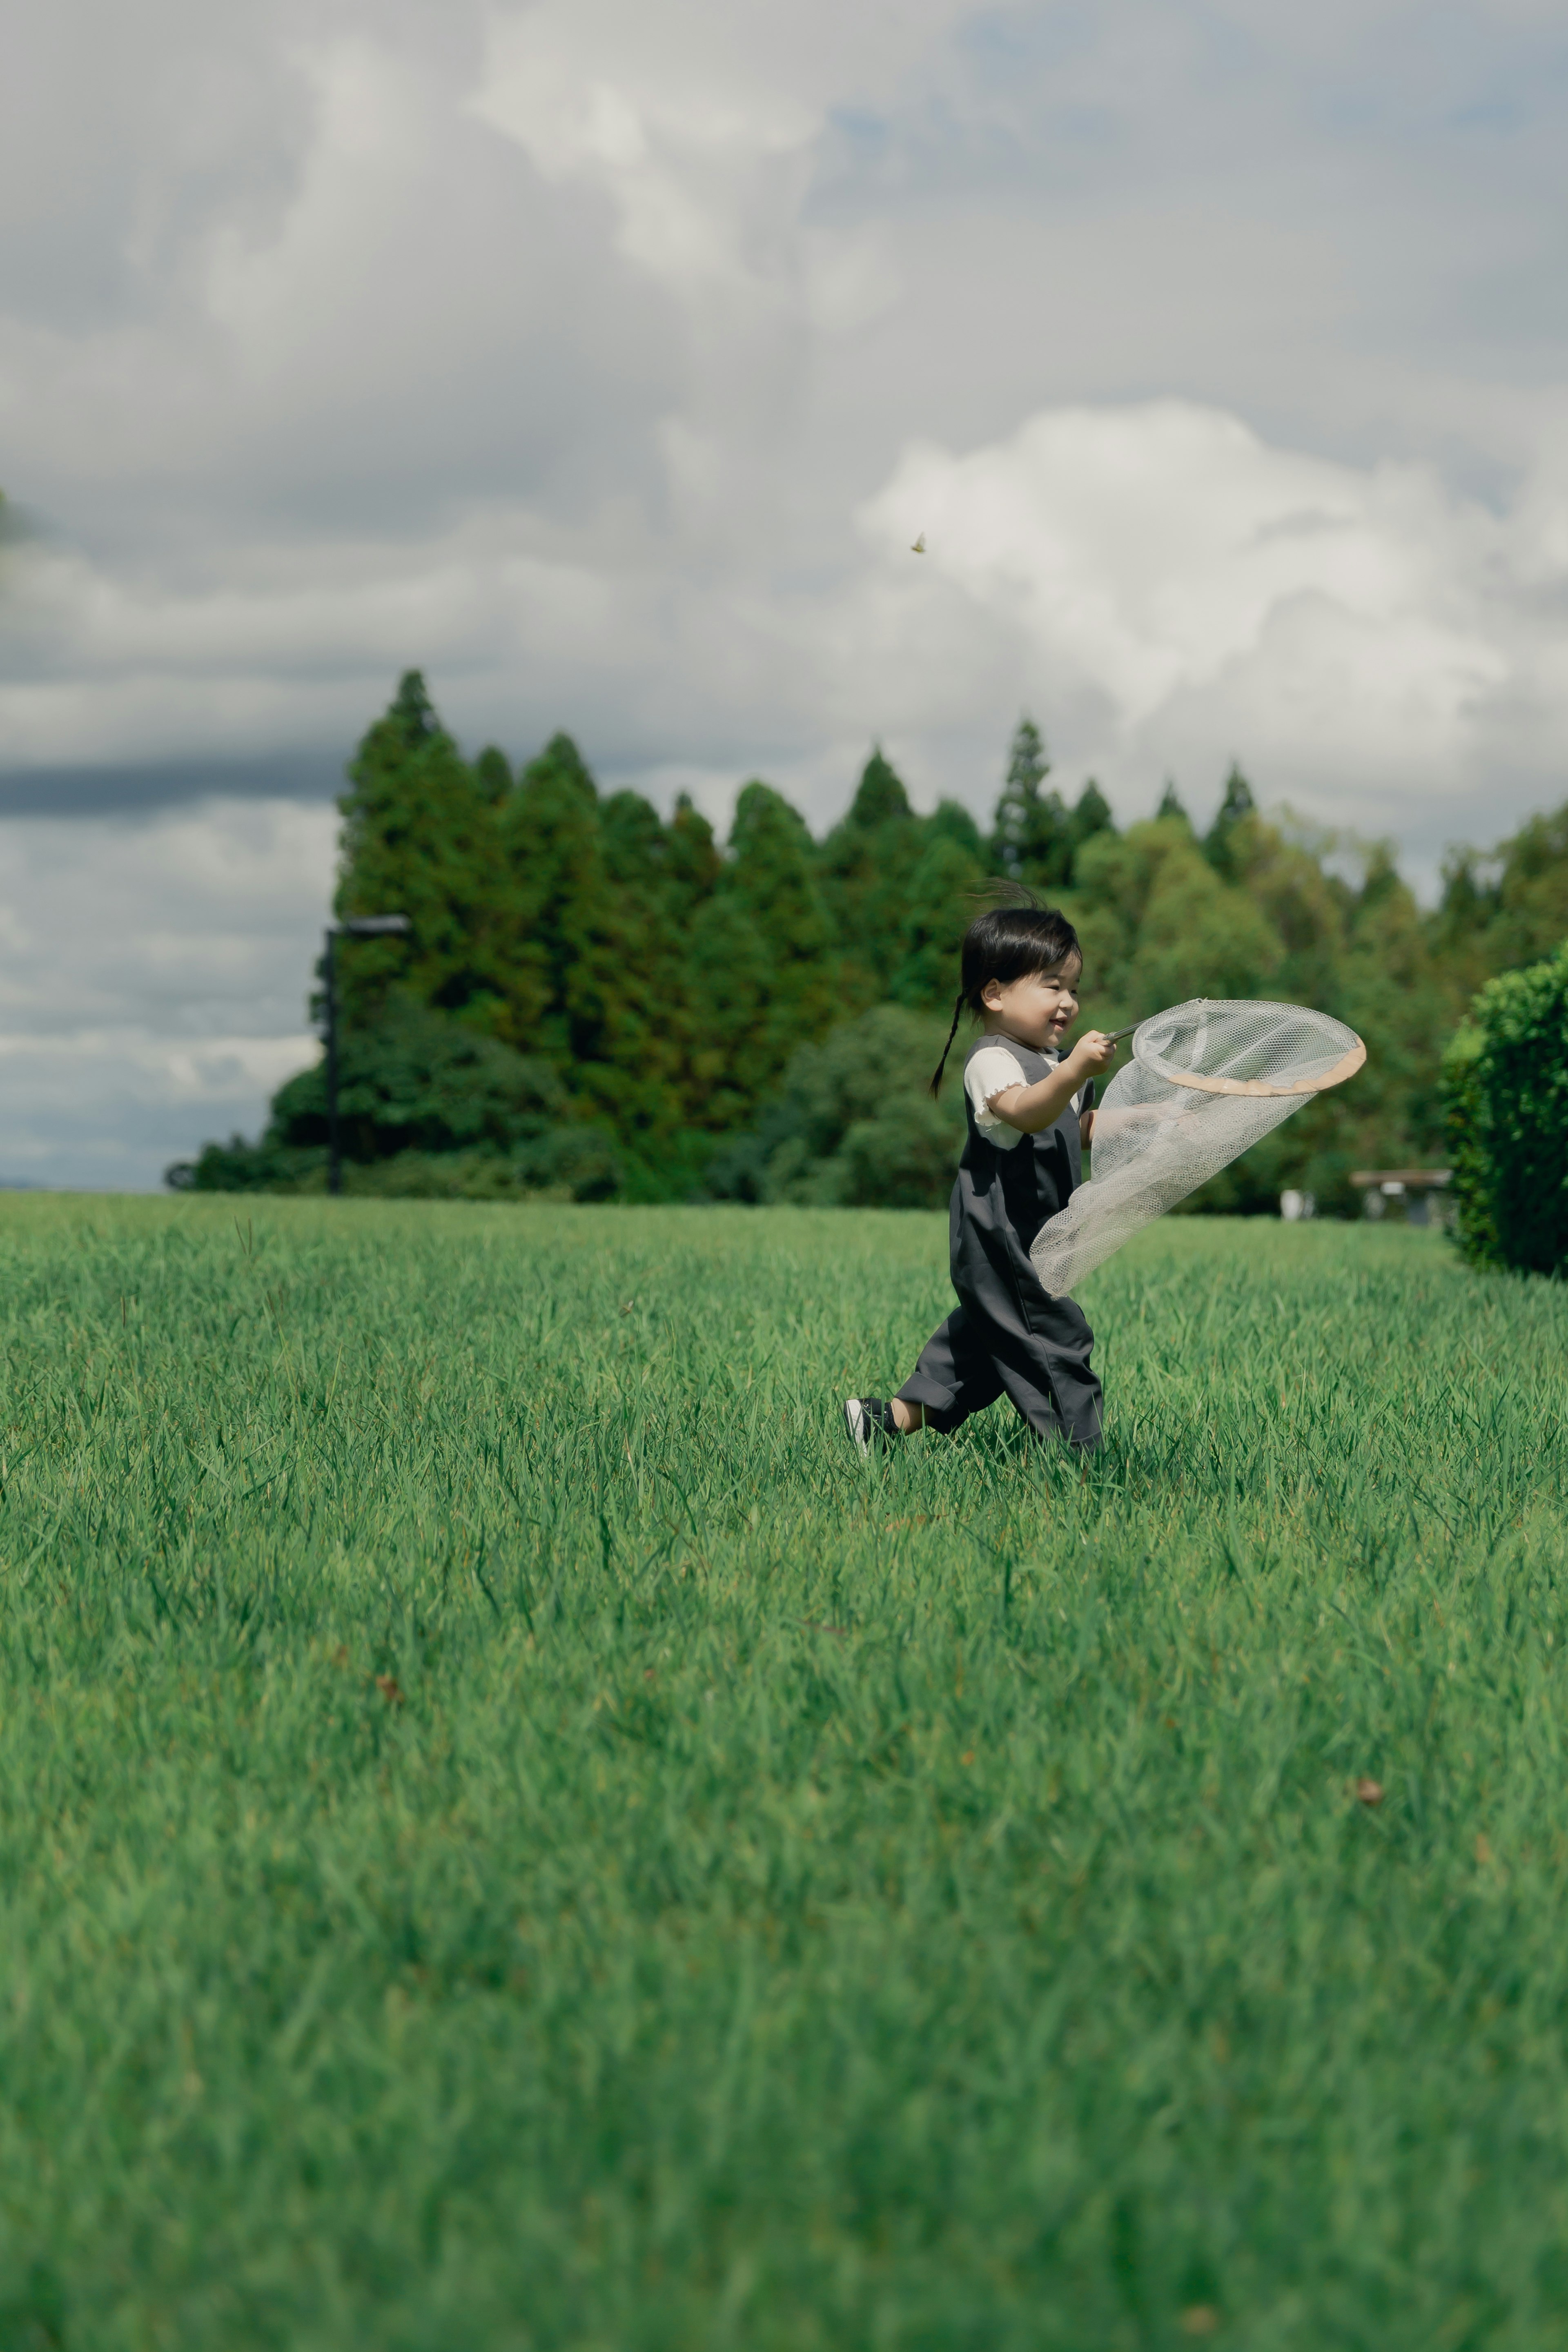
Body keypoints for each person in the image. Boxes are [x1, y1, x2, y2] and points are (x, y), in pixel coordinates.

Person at [843, 900, 1119, 1456]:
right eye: (1051, 986)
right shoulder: (991, 1061)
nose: (1068, 1001)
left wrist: (1152, 1120)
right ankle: (1081, 1469)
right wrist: (1072, 1072)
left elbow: (1071, 1125)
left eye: (1073, 987)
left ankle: (882, 1422)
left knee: (987, 1345)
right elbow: (1026, 1112)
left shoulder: (1052, 1064)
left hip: (1033, 1237)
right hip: (1001, 1240)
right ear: (994, 995)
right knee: (1056, 1342)